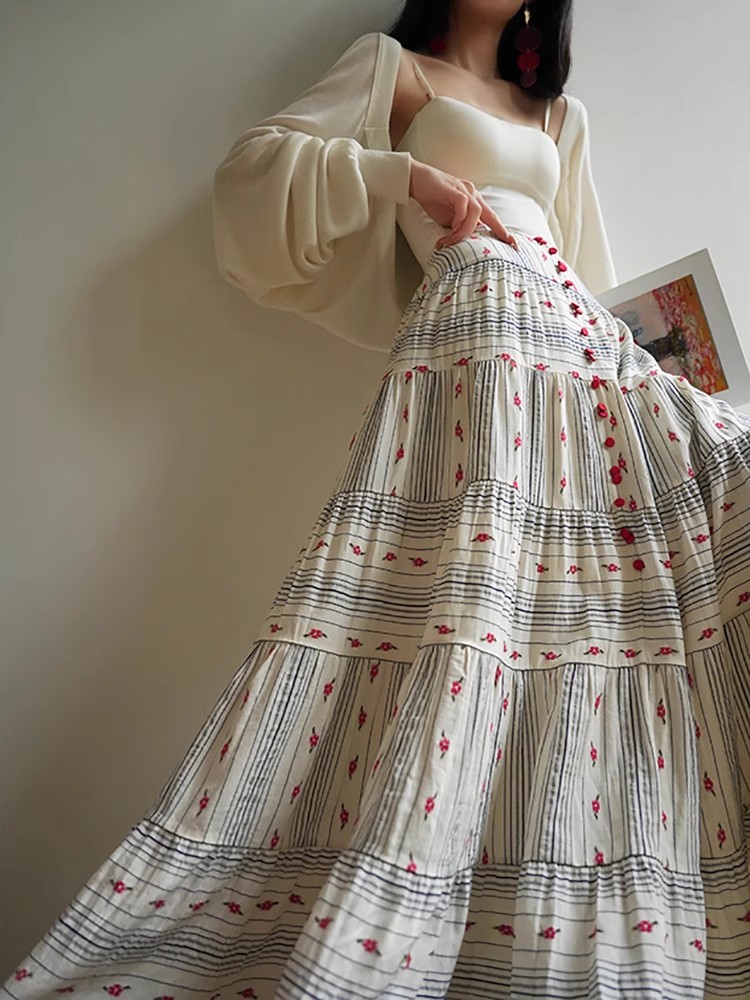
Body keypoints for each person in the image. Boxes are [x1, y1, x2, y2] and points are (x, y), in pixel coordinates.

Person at [5, 2, 750, 998]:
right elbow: (256, 169)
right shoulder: (393, 68)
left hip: (580, 345)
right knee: (482, 602)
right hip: (476, 326)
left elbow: (591, 270)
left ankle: (585, 865)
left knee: (604, 602)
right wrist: (409, 178)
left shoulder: (559, 115)